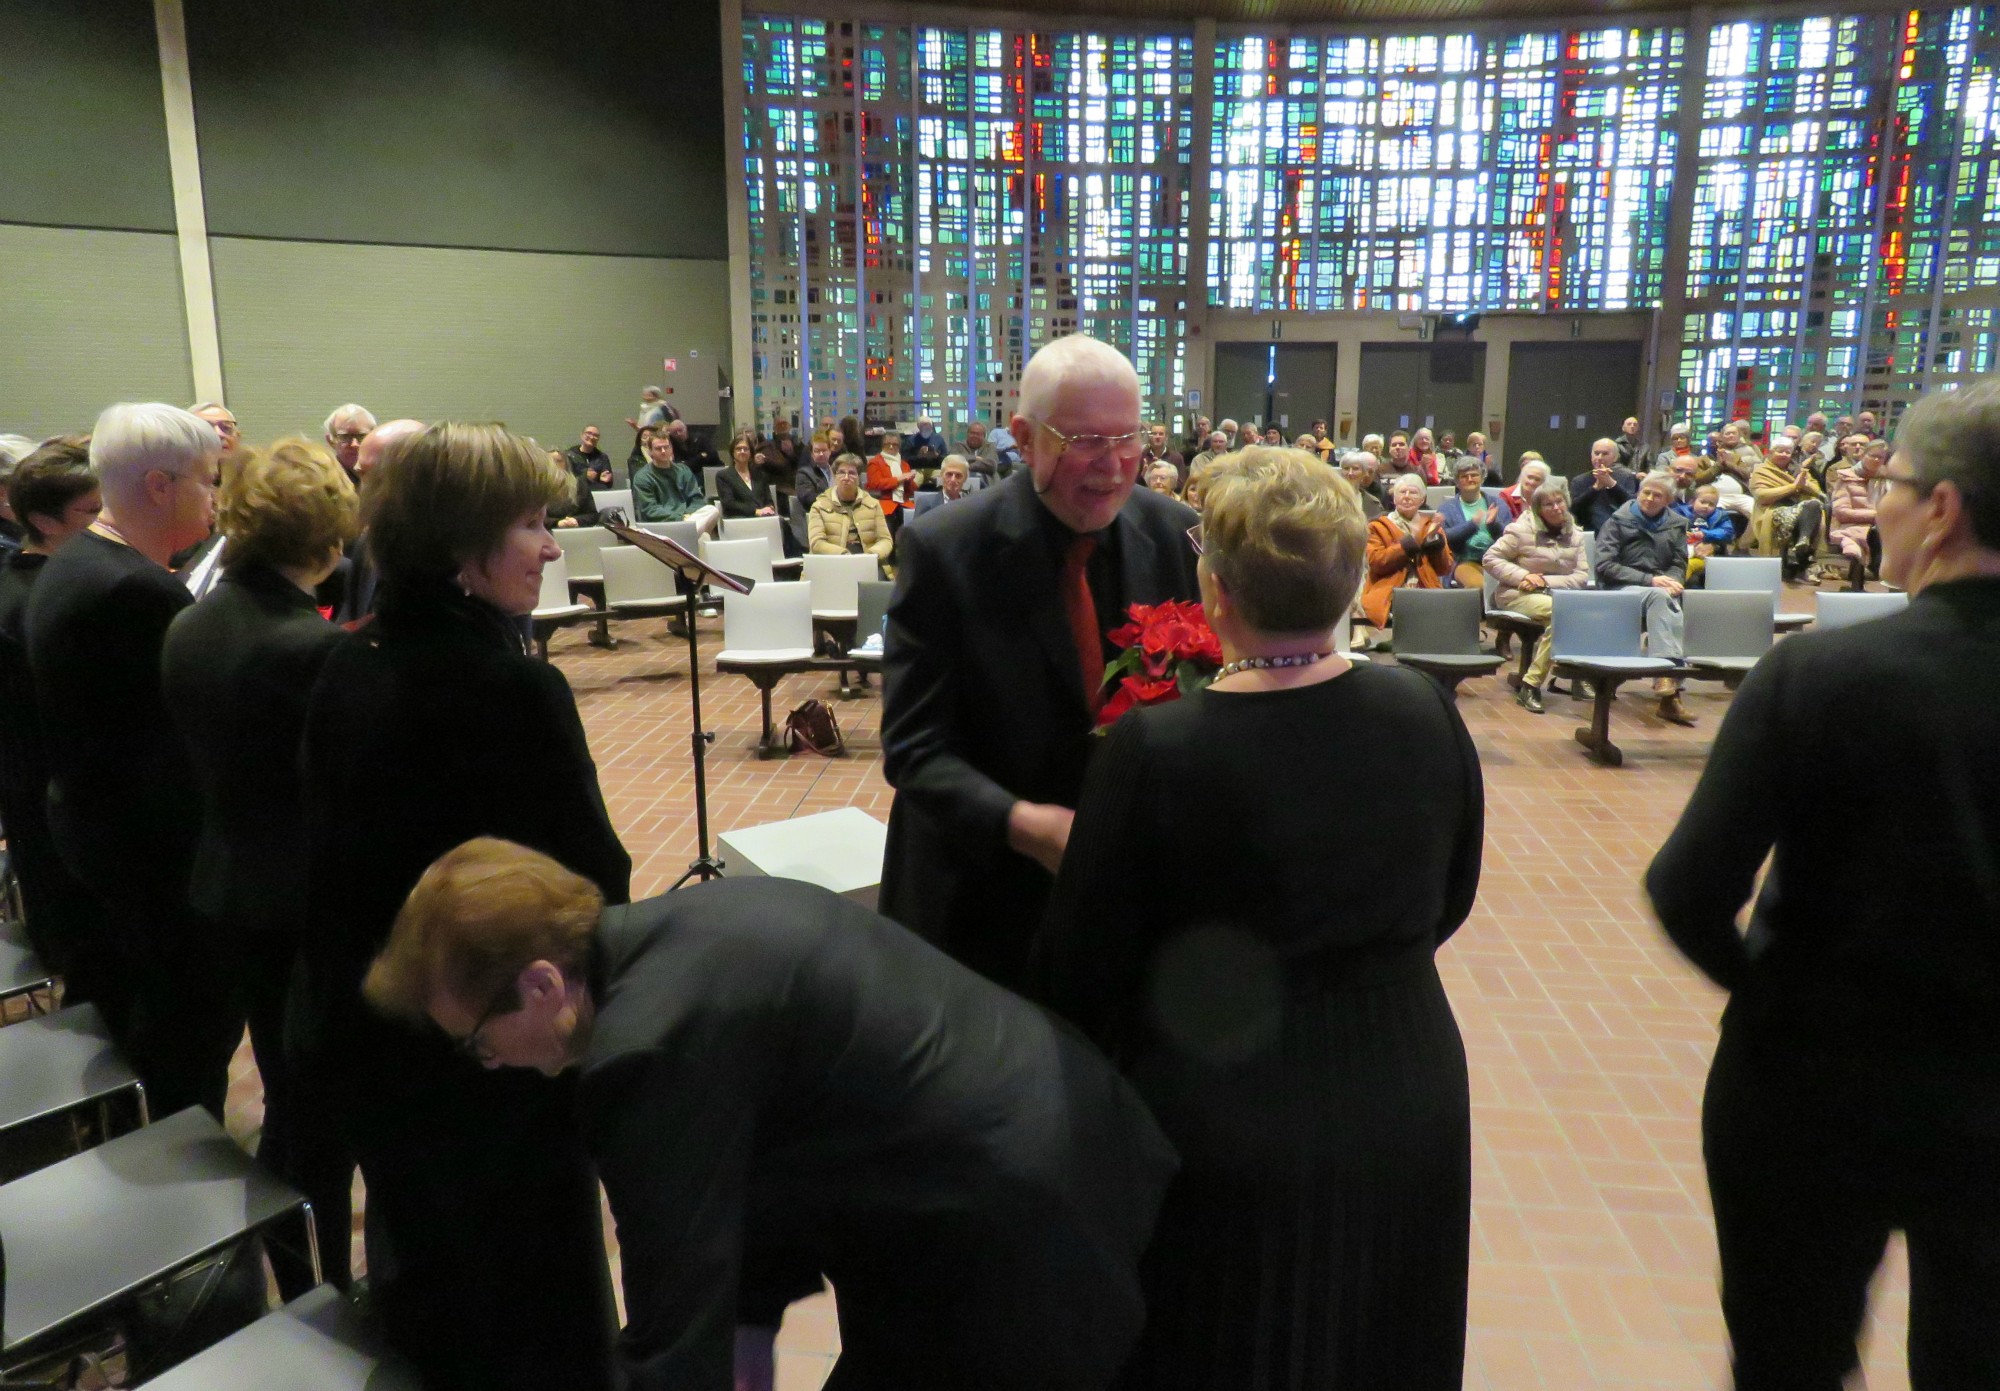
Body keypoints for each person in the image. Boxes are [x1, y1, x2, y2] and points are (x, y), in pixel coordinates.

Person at [367, 840, 1176, 1391]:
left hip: (1010, 1249)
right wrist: (752, 1325)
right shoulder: (684, 929)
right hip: (1064, 1144)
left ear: (541, 984)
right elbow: (764, 1155)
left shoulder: (643, 1051)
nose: (493, 1065)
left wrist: (718, 1343)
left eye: (478, 1042)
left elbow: (675, 1325)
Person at [1042, 446, 1478, 1391]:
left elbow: (1080, 967)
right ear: (1351, 577)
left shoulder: (1158, 747)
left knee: (1232, 1343)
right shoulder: (1423, 708)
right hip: (1406, 1087)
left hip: (1229, 1106)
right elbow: (1452, 895)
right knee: (1382, 1341)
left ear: (1215, 592)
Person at [1645, 376, 2000, 1391]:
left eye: (1887, 481)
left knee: (1786, 1358)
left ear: (1940, 509)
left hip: (1810, 1090)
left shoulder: (1819, 675)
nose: (1873, 501)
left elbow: (1684, 888)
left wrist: (1771, 991)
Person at [298, 422, 627, 1390]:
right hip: (490, 1066)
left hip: (378, 1047)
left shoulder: (345, 663)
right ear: (457, 545)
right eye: (531, 522)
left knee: (433, 1297)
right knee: (534, 1314)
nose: (553, 544)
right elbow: (588, 887)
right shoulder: (510, 686)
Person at [880, 334, 1200, 994]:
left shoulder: (1177, 534)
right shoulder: (946, 550)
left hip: (1118, 899)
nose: (1113, 466)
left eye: (1128, 439)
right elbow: (914, 748)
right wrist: (1028, 825)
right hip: (978, 897)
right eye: (1084, 440)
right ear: (1024, 439)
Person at [162, 438, 360, 1294]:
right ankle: (314, 1282)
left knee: (286, 1087)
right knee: (315, 1109)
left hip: (227, 880)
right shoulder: (303, 648)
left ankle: (293, 1265)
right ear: (324, 540)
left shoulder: (191, 619)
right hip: (298, 902)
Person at [26, 403, 242, 1118]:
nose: (215, 498)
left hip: (96, 833)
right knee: (182, 1039)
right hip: (149, 858)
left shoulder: (78, 559)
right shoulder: (136, 588)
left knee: (137, 1019)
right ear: (158, 485)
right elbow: (181, 739)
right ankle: (187, 1194)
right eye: (207, 482)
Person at [0, 440, 103, 987]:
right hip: (51, 800)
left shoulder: (26, 582)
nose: (106, 521)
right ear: (43, 520)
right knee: (87, 963)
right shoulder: (45, 599)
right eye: (93, 512)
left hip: (37, 793)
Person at [1594, 470, 1696, 725]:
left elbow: (1678, 562)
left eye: (1657, 495)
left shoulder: (1676, 524)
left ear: (1668, 500)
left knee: (1670, 601)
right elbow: (1605, 566)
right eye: (1645, 492)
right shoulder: (1618, 521)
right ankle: (1666, 677)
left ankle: (1668, 693)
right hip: (1620, 588)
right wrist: (1650, 581)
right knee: (1660, 599)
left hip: (1659, 591)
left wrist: (1673, 582)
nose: (1649, 498)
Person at [1483, 481, 1587, 714]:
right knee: (1563, 614)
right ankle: (1532, 685)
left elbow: (1581, 576)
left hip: (1556, 595)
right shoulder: (1520, 530)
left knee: (1573, 613)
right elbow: (1490, 559)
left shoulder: (1575, 534)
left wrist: (1545, 581)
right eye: (1548, 504)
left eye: (1559, 501)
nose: (1556, 508)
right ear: (1538, 509)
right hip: (1517, 594)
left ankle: (1576, 676)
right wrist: (1524, 576)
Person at [336, 417, 425, 622]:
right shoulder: (368, 543)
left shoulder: (454, 560)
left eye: (376, 476)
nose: (363, 490)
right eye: (361, 475)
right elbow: (351, 620)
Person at [1361, 474, 1450, 631]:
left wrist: (1433, 541)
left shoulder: (1431, 526)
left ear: (1422, 500)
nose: (1407, 497)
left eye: (1413, 492)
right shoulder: (1377, 526)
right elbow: (1377, 562)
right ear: (1394, 499)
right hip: (1390, 592)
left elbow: (1444, 569)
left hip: (1426, 590)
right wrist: (1411, 542)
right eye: (1402, 492)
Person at [1749, 436, 1826, 579]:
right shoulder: (1760, 470)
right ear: (1770, 452)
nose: (1785, 455)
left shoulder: (1797, 469)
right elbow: (1761, 496)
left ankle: (1803, 540)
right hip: (1772, 509)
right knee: (1792, 517)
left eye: (1788, 452)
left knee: (1815, 505)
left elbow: (1816, 490)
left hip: (1803, 508)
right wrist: (1794, 487)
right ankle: (1802, 555)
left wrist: (1803, 476)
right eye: (1780, 451)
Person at [1437, 456, 1513, 585]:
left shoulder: (1498, 504)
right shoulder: (1447, 508)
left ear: (1482, 478)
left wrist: (1493, 524)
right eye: (1464, 476)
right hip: (1463, 562)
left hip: (1496, 561)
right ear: (1457, 481)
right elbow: (1445, 538)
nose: (1470, 479)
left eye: (1474, 475)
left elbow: (1510, 539)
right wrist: (1472, 525)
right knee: (1480, 586)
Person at [807, 454, 893, 558]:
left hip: (868, 559)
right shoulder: (819, 506)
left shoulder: (873, 504)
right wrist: (843, 555)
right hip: (834, 561)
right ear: (835, 476)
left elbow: (885, 540)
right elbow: (816, 543)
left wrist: (872, 555)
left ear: (858, 477)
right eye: (842, 472)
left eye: (851, 473)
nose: (846, 477)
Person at [1827, 442, 1885, 589]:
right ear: (1863, 455)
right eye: (1873, 456)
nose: (1876, 460)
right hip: (1850, 525)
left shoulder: (1887, 479)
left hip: (1882, 525)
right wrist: (1876, 515)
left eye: (1881, 457)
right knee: (1872, 534)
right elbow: (1841, 512)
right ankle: (1874, 570)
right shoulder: (1846, 477)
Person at [631, 429, 706, 523]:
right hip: (662, 522)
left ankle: (693, 531)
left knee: (712, 510)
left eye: (666, 447)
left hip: (689, 518)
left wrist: (688, 515)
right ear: (650, 452)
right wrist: (680, 518)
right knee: (702, 530)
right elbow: (650, 509)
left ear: (672, 449)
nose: (663, 451)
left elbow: (696, 499)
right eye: (658, 448)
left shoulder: (683, 470)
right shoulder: (642, 477)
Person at [1570, 436, 1639, 533]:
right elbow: (1573, 510)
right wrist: (1595, 489)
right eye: (1596, 453)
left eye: (1605, 454)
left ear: (1615, 457)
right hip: (1588, 531)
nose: (1599, 458)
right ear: (1591, 455)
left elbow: (1632, 507)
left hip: (1620, 531)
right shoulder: (1579, 480)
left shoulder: (1626, 476)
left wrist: (1612, 484)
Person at [716, 431, 777, 520]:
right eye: (738, 449)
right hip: (739, 520)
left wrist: (769, 509)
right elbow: (729, 505)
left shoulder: (760, 475)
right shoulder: (723, 476)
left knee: (782, 524)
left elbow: (769, 501)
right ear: (732, 452)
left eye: (746, 449)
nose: (742, 451)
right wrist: (756, 511)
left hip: (764, 518)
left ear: (751, 453)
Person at [866, 431, 917, 536]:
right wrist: (898, 479)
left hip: (904, 504)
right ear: (882, 446)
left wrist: (910, 480)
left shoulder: (904, 464)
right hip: (884, 504)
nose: (891, 447)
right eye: (887, 444)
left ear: (899, 447)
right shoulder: (875, 462)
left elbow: (911, 492)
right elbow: (874, 484)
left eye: (895, 444)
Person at [324, 402, 376, 481]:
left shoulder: (388, 477)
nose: (354, 444)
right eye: (345, 437)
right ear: (330, 441)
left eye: (361, 436)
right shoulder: (323, 481)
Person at [566, 425, 614, 491]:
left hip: (596, 493)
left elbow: (609, 484)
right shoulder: (569, 455)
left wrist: (605, 480)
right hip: (575, 494)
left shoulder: (602, 457)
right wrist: (585, 476)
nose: (592, 437)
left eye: (596, 435)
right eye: (588, 433)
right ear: (582, 435)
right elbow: (565, 480)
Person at [957, 419, 1003, 486]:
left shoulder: (990, 446)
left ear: (984, 437)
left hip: (989, 484)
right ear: (967, 434)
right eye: (972, 433)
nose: (975, 436)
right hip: (963, 483)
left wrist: (966, 466)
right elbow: (954, 460)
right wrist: (976, 458)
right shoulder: (958, 445)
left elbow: (992, 465)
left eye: (978, 434)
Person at [1340, 451, 1385, 518]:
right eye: (1346, 468)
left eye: (1355, 469)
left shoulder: (1373, 503)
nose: (1350, 473)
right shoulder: (1329, 498)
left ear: (1364, 473)